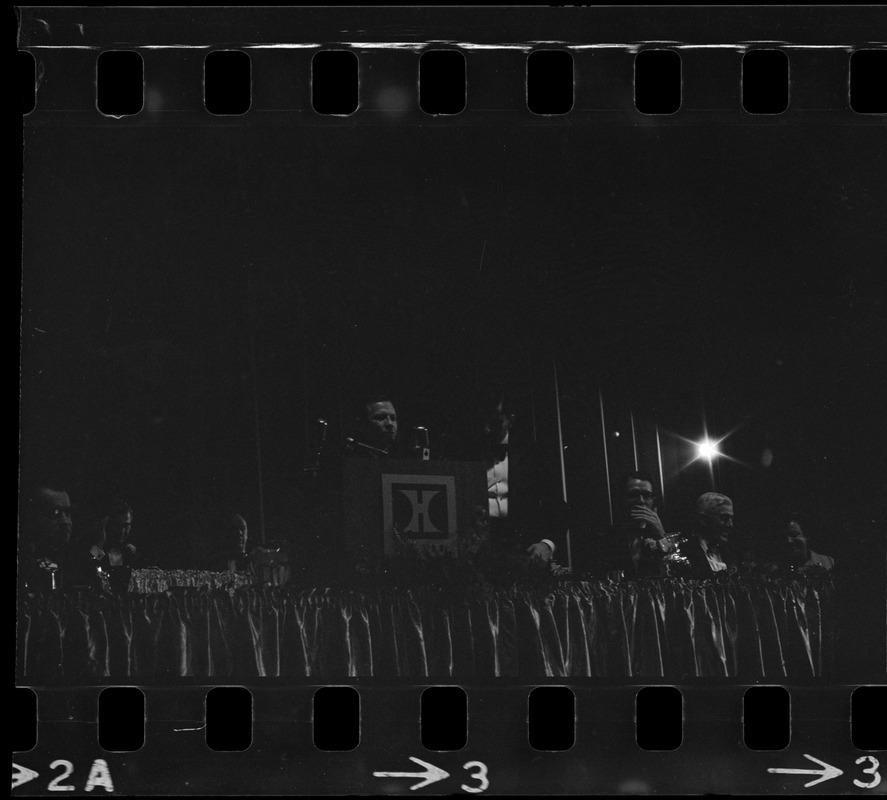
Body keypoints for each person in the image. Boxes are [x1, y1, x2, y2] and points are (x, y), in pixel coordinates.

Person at [477, 390, 565, 565]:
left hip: (523, 550)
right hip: (478, 550)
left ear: (511, 420)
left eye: (495, 421)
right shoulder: (467, 456)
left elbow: (557, 507)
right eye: (484, 420)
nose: (486, 428)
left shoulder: (532, 456)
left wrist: (547, 544)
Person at [592, 471, 677, 578]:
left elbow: (675, 576)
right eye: (633, 495)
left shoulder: (664, 533)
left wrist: (661, 536)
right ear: (621, 498)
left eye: (647, 495)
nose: (641, 501)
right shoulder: (605, 538)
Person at [18, 481, 74, 591]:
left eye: (68, 512)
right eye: (55, 512)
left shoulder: (74, 553)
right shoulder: (25, 559)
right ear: (33, 519)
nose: (65, 521)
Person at [681, 492, 744, 577]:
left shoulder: (734, 552)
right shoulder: (685, 553)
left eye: (731, 518)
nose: (730, 524)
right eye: (724, 518)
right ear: (703, 520)